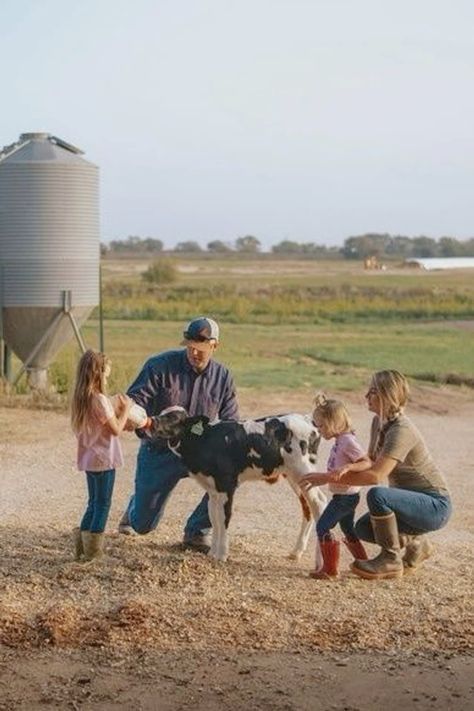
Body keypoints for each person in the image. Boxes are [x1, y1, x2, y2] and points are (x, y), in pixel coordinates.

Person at [118, 317, 239, 552]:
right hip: (160, 450)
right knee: (143, 526)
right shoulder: (158, 366)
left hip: (200, 453)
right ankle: (135, 510)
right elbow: (136, 400)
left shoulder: (223, 378)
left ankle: (197, 531)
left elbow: (231, 422)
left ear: (215, 346)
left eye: (201, 349)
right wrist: (133, 417)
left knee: (230, 475)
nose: (194, 352)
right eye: (190, 346)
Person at [329, 370, 452, 580]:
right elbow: (369, 461)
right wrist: (344, 469)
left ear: (387, 396)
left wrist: (329, 479)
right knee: (363, 528)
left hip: (435, 505)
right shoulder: (379, 422)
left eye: (373, 392)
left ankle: (390, 560)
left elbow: (376, 475)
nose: (366, 396)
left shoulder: (402, 429)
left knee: (378, 495)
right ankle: (417, 543)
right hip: (409, 505)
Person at [299, 394, 371, 580]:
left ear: (334, 423)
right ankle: (365, 563)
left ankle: (330, 570)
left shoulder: (347, 441)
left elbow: (366, 462)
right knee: (348, 529)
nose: (318, 430)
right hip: (344, 495)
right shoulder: (341, 441)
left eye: (321, 425)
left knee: (323, 526)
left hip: (345, 497)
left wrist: (349, 467)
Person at [71, 349, 132, 562]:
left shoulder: (82, 399)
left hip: (90, 460)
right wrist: (126, 410)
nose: (107, 376)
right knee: (103, 503)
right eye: (106, 373)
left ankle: (81, 549)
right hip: (104, 459)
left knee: (93, 502)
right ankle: (94, 553)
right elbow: (116, 429)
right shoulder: (99, 400)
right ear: (98, 373)